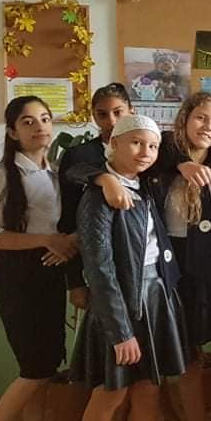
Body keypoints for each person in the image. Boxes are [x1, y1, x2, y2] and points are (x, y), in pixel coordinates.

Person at [70, 115, 190, 421]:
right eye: (136, 143)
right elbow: (100, 269)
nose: (145, 152)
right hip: (121, 305)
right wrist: (120, 331)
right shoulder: (98, 196)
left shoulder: (145, 184)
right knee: (112, 392)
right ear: (114, 143)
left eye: (152, 146)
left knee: (148, 390)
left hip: (154, 297)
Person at [0, 96, 79, 421]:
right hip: (18, 280)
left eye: (45, 118)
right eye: (28, 121)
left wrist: (67, 243)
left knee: (44, 371)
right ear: (12, 132)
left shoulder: (59, 173)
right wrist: (46, 240)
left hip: (52, 275)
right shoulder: (3, 174)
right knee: (35, 370)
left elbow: (72, 226)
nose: (39, 126)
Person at [59, 82, 136, 312]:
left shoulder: (146, 151)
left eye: (118, 112)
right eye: (102, 114)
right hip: (97, 261)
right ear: (94, 116)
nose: (111, 121)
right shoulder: (79, 155)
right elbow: (69, 217)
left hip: (141, 258)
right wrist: (75, 282)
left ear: (131, 111)